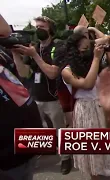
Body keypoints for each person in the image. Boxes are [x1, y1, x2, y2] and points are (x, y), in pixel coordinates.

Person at [11, 16, 72, 174]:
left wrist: (35, 56)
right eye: (36, 26)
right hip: (35, 97)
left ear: (50, 29)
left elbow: (53, 73)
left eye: (42, 27)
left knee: (59, 130)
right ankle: (45, 150)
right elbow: (23, 72)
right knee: (40, 130)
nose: (38, 29)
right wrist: (15, 54)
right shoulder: (34, 47)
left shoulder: (57, 46)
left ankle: (66, 158)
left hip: (53, 99)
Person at [60, 33, 110, 180]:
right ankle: (94, 174)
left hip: (99, 106)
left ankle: (101, 167)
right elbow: (87, 84)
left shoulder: (92, 63)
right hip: (85, 109)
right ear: (75, 50)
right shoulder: (67, 70)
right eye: (85, 47)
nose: (89, 50)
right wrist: (97, 58)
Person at [0, 15, 43, 180]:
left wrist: (15, 53)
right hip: (8, 161)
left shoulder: (3, 55)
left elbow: (23, 75)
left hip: (24, 149)